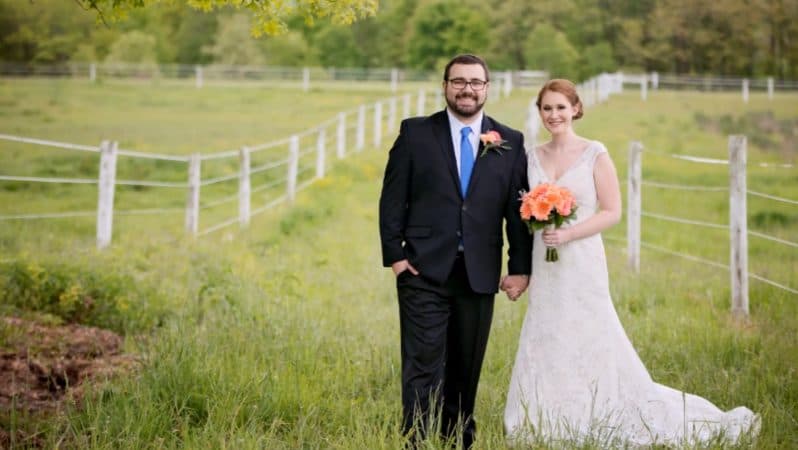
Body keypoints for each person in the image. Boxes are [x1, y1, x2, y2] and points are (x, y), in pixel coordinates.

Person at [503, 79, 760, 446]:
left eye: (561, 107)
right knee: (547, 328)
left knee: (589, 329)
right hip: (546, 260)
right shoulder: (532, 157)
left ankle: (598, 405)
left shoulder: (595, 153)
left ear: (576, 108)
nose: (554, 115)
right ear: (539, 112)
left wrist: (570, 234)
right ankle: (547, 410)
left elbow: (612, 212)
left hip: (581, 258)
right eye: (547, 108)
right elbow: (522, 211)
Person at [379, 54, 533, 448]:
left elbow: (517, 214)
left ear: (487, 88)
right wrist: (396, 257)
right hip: (422, 270)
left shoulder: (510, 142)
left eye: (475, 82)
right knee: (423, 365)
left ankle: (458, 440)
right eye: (459, 81)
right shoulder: (415, 133)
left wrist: (519, 267)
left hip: (479, 272)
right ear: (445, 86)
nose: (467, 89)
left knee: (466, 366)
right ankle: (416, 440)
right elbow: (392, 199)